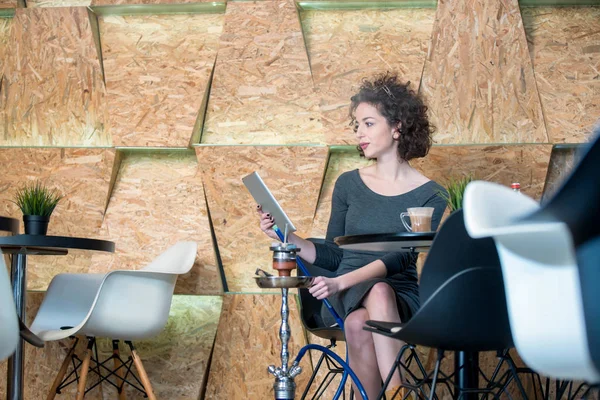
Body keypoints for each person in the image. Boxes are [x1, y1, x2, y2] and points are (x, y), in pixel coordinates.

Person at [257, 73, 447, 399]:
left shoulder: (432, 194)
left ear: (397, 126)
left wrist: (339, 282)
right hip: (346, 289)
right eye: (357, 125)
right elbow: (333, 254)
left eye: (368, 123)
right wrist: (286, 235)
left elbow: (402, 257)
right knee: (375, 295)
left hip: (398, 293)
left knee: (365, 316)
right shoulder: (348, 184)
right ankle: (400, 393)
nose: (359, 133)